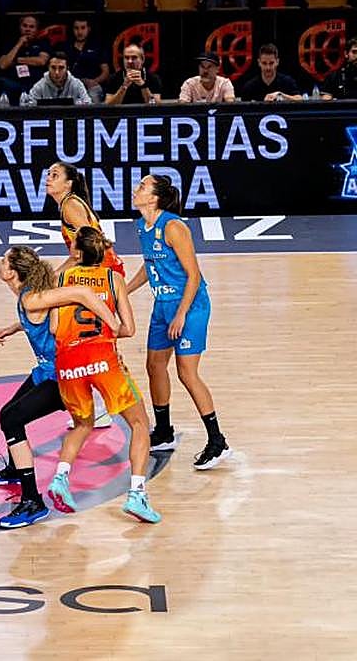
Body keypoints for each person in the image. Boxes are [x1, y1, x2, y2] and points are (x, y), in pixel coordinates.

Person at [0, 246, 122, 529]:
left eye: (3, 261)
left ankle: (33, 502)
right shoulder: (29, 295)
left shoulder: (32, 298)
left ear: (12, 272)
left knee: (10, 418)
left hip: (63, 378)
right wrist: (14, 328)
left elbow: (83, 294)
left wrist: (114, 325)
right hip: (45, 372)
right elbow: (37, 317)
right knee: (9, 412)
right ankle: (15, 468)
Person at [46, 226, 160, 524]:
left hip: (69, 362)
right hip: (103, 360)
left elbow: (55, 329)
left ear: (77, 253)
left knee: (82, 424)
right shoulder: (114, 279)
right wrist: (106, 335)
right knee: (138, 422)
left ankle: (60, 478)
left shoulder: (62, 278)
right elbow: (129, 329)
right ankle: (136, 494)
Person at [127, 174, 233, 470]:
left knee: (187, 372)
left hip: (190, 306)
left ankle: (217, 441)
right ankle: (163, 431)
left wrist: (182, 313)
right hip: (163, 306)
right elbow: (151, 266)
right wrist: (124, 290)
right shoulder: (142, 226)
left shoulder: (173, 227)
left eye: (143, 186)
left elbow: (194, 274)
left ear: (155, 197)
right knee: (154, 365)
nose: (137, 189)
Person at [45, 160, 123, 429]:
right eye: (48, 174)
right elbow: (79, 251)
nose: (48, 178)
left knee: (86, 336)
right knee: (90, 336)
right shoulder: (68, 203)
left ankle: (102, 405)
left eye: (55, 175)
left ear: (68, 183)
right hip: (97, 268)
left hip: (100, 271)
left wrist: (59, 276)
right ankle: (99, 404)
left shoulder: (70, 204)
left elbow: (92, 242)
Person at [0, 15, 50, 98]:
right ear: (20, 27)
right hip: (14, 83)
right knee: (2, 82)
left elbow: (41, 61)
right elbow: (3, 64)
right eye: (24, 26)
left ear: (37, 30)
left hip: (36, 83)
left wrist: (17, 60)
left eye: (31, 27)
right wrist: (19, 44)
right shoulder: (11, 43)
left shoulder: (42, 43)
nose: (27, 29)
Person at [58, 18, 110, 103]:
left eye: (83, 28)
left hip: (92, 85)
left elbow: (106, 72)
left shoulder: (97, 46)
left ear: (88, 29)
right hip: (70, 85)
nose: (79, 32)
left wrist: (94, 81)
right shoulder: (65, 47)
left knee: (93, 95)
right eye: (76, 28)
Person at [22, 52, 92, 106]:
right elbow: (29, 109)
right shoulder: (39, 86)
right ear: (48, 67)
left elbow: (88, 105)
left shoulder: (77, 84)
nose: (57, 72)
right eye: (53, 67)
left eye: (61, 68)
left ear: (67, 68)